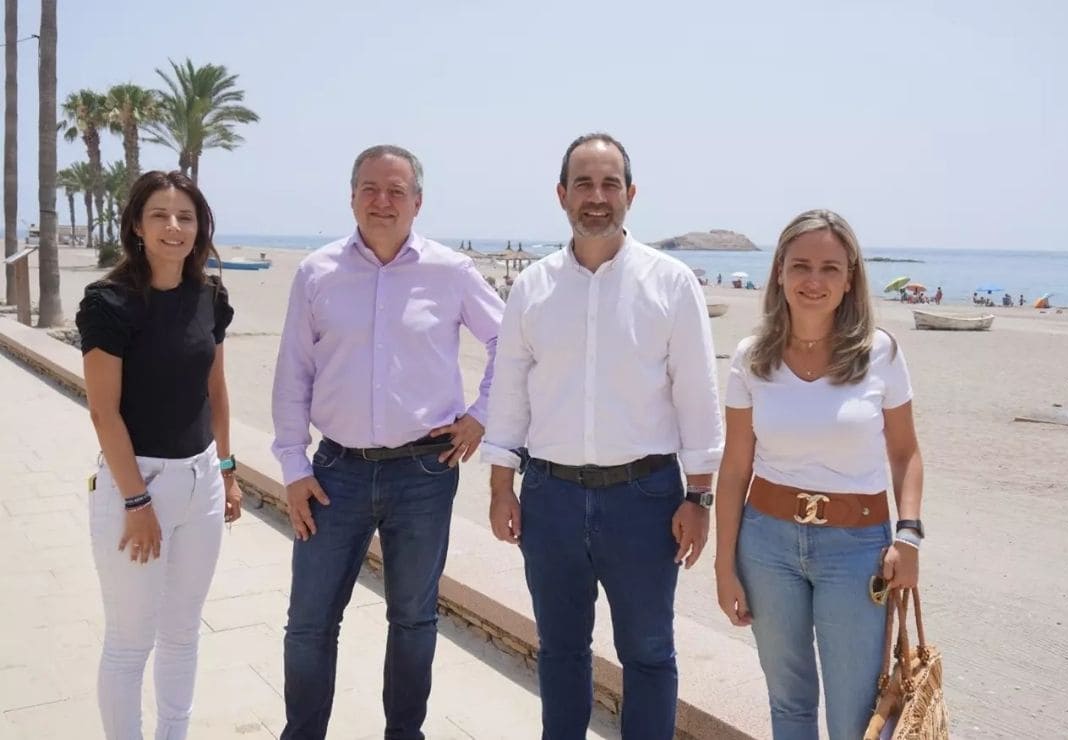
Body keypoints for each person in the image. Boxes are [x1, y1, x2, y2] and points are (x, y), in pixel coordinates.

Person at [483, 133, 723, 739]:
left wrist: (699, 499)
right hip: (550, 498)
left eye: (610, 183)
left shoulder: (671, 284)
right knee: (561, 650)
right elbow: (509, 391)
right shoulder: (533, 288)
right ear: (562, 195)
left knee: (647, 652)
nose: (597, 197)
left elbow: (698, 395)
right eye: (583, 184)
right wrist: (499, 486)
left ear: (631, 194)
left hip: (645, 501)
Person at [272, 145, 505, 739]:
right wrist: (294, 467)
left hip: (424, 476)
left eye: (396, 191)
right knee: (309, 624)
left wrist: (480, 416)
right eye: (371, 189)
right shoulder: (316, 273)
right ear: (351, 197)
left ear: (417, 202)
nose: (382, 201)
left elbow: (512, 344)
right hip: (333, 476)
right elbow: (292, 373)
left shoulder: (451, 272)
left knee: (413, 620)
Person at [713, 209, 925, 739]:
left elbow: (906, 454)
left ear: (850, 277)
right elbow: (736, 467)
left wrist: (910, 536)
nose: (814, 280)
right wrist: (723, 566)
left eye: (830, 268)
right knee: (788, 702)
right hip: (766, 546)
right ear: (779, 272)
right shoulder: (750, 358)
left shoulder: (881, 352)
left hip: (857, 551)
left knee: (855, 714)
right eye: (800, 265)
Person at [76, 170, 240, 739]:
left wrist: (227, 470)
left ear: (200, 228)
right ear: (137, 228)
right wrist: (137, 501)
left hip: (203, 481)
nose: (174, 227)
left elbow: (215, 392)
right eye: (160, 216)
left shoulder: (210, 297)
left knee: (182, 633)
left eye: (186, 217)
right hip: (137, 484)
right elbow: (104, 413)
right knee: (129, 643)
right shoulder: (110, 303)